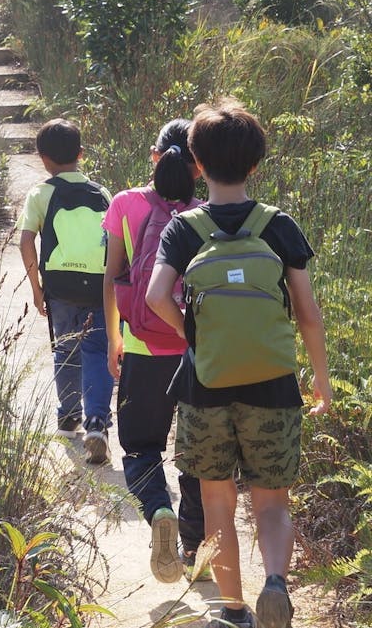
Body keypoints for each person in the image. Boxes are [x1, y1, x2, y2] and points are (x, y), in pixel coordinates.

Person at [146, 98, 332, 628]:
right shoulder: (279, 226)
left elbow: (158, 296)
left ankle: (232, 610)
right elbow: (308, 314)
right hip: (273, 384)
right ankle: (275, 581)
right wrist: (319, 381)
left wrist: (195, 334)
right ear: (255, 164)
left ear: (197, 165)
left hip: (206, 384)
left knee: (217, 501)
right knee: (273, 502)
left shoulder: (184, 230)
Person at [103, 119, 206, 585]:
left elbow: (113, 277)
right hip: (197, 353)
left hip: (142, 348)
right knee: (197, 455)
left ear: (153, 156)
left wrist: (114, 339)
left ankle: (158, 509)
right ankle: (195, 548)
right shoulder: (207, 214)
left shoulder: (125, 204)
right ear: (199, 168)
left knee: (141, 446)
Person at [17, 118, 114, 464]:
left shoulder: (40, 194)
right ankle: (98, 421)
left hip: (60, 287)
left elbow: (26, 241)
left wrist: (36, 287)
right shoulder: (102, 193)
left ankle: (69, 416)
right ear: (81, 154)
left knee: (66, 350)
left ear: (42, 158)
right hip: (100, 287)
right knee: (98, 352)